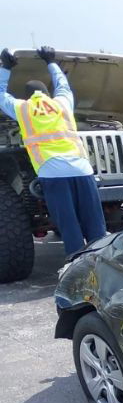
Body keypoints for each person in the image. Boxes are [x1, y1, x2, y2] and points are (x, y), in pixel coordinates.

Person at [0, 46, 107, 256]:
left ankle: (77, 269)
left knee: (69, 224)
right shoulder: (63, 104)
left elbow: (0, 93)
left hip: (53, 173)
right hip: (82, 170)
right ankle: (102, 262)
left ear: (28, 95)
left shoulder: (23, 108)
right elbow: (63, 86)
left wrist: (6, 67)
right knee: (94, 222)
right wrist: (51, 62)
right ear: (48, 94)